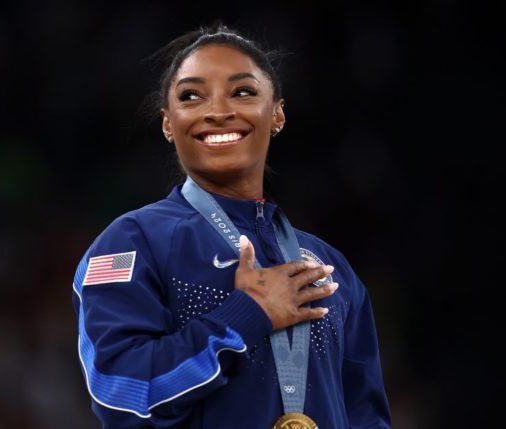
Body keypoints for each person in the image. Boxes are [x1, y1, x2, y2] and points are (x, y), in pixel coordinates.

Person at [72, 24, 391, 429]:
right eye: (192, 96)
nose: (218, 110)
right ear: (169, 123)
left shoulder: (330, 267)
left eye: (242, 92)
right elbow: (120, 391)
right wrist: (246, 316)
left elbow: (366, 416)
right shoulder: (131, 243)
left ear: (276, 113)